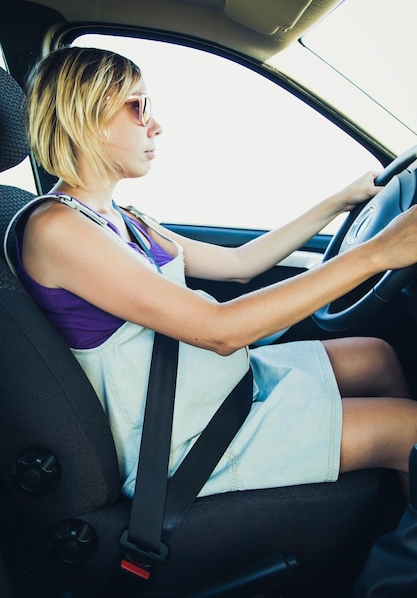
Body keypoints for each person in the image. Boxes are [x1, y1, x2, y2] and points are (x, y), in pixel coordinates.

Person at [13, 45, 417, 500]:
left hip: (210, 389)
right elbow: (219, 330)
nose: (156, 125)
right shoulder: (56, 228)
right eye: (137, 106)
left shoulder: (123, 218)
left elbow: (238, 265)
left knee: (377, 356)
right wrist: (379, 252)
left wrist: (339, 201)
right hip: (177, 437)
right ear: (82, 115)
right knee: (409, 431)